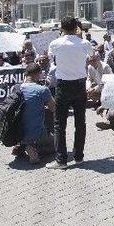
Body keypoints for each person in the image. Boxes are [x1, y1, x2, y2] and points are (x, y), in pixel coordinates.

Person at [46, 17, 94, 169]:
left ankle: (61, 160)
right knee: (80, 122)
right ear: (76, 28)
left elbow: (51, 57)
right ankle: (79, 156)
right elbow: (92, 55)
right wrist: (79, 35)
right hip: (79, 85)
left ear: (61, 28)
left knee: (60, 123)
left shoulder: (55, 43)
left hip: (63, 85)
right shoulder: (84, 43)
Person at [11, 63, 56, 164]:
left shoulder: (15, 88)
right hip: (37, 134)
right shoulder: (42, 89)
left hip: (18, 133)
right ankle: (33, 148)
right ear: (38, 74)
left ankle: (23, 145)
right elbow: (54, 109)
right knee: (56, 145)